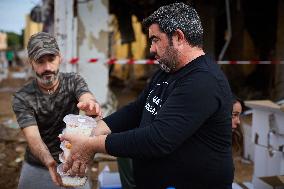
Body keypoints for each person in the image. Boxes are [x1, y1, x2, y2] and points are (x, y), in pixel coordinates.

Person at [61, 3, 234, 189]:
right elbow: (137, 109)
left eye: (155, 40)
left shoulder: (203, 80)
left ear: (178, 37)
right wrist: (94, 130)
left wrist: (92, 144)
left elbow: (158, 139)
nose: (151, 49)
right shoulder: (168, 70)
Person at [12, 32, 102, 189]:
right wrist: (49, 162)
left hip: (72, 160)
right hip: (37, 164)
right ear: (31, 63)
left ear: (59, 58)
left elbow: (85, 96)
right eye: (40, 61)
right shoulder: (23, 97)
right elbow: (33, 137)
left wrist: (90, 103)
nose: (47, 68)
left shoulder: (73, 81)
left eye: (51, 59)